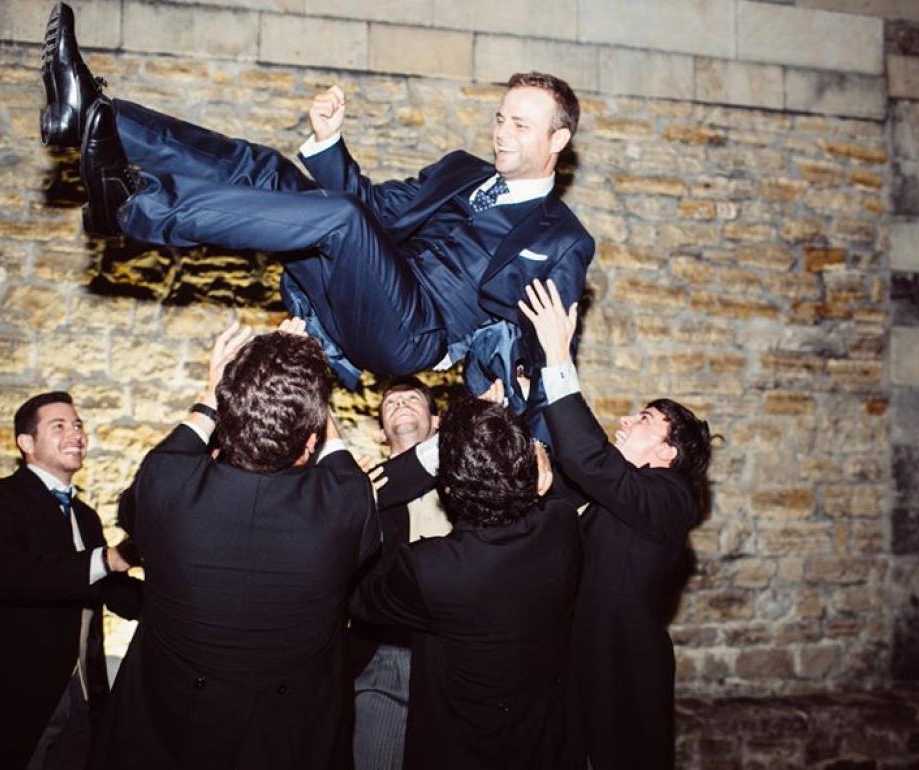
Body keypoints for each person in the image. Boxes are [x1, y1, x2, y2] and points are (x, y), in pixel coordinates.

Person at [39, 2, 594, 435]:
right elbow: (376, 210)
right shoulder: (463, 170)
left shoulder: (563, 239)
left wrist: (540, 446)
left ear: (558, 139)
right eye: (500, 118)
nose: (501, 134)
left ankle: (137, 206)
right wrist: (330, 143)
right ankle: (92, 112)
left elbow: (552, 350)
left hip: (415, 334)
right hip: (362, 286)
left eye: (521, 126)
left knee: (341, 220)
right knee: (269, 172)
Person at [89, 321, 379, 770]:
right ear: (307, 444)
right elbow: (335, 453)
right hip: (288, 744)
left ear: (226, 415)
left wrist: (213, 390)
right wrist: (305, 387)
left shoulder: (166, 485)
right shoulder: (346, 502)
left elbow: (176, 451)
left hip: (170, 737)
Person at [519, 279, 715, 770]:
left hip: (621, 675)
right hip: (576, 673)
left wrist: (559, 356)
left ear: (667, 452)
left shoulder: (671, 499)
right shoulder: (618, 496)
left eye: (645, 419)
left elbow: (589, 459)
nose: (626, 419)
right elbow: (564, 478)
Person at [350, 396, 581, 769]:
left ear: (451, 489)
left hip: (459, 749)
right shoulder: (561, 525)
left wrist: (354, 507)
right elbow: (551, 498)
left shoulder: (429, 567)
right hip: (537, 742)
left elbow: (360, 598)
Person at [0, 391, 142, 770]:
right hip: (17, 695)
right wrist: (110, 557)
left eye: (78, 425)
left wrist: (187, 598)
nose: (76, 434)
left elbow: (111, 591)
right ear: (26, 443)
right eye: (59, 426)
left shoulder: (85, 516)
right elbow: (11, 578)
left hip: (82, 697)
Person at [349, 377, 446, 770]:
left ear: (437, 422)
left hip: (451, 658)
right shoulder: (360, 489)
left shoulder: (469, 483)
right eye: (391, 403)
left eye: (413, 399)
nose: (401, 404)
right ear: (379, 430)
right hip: (384, 656)